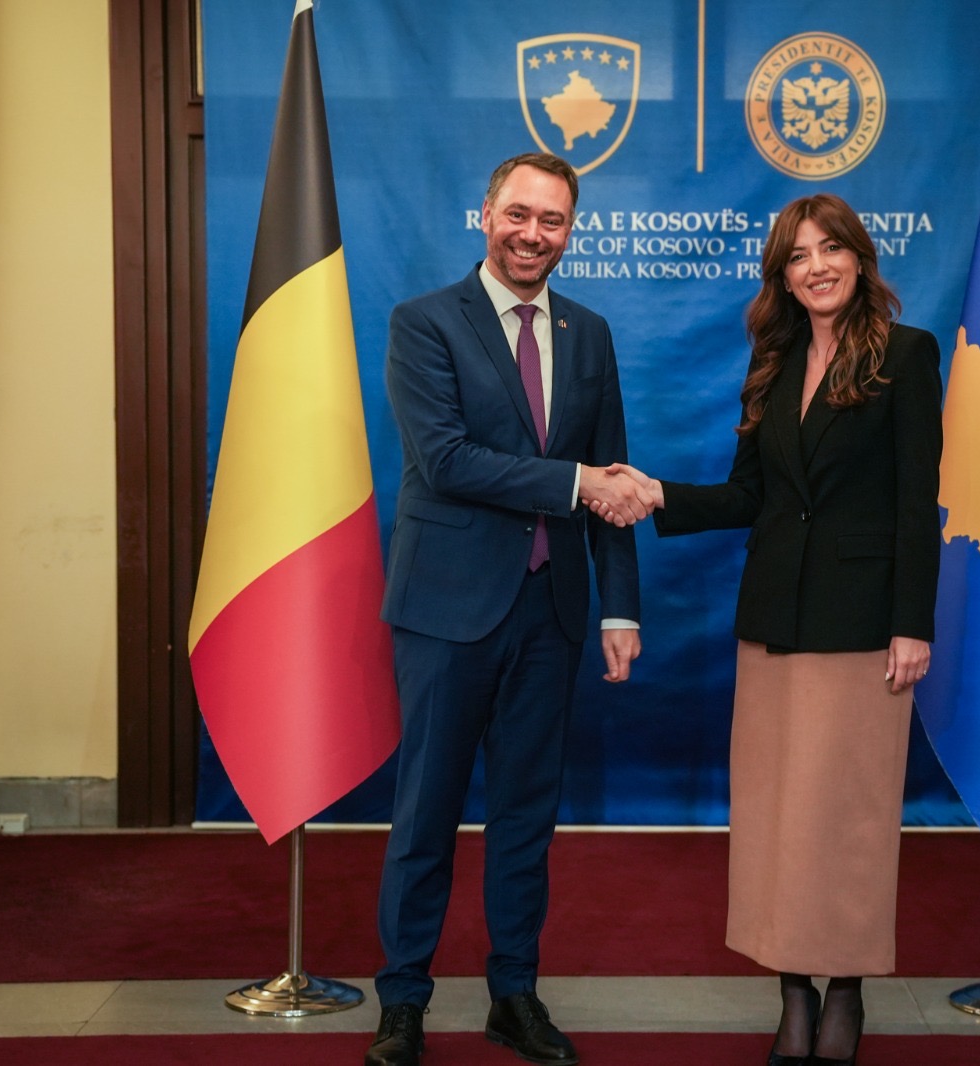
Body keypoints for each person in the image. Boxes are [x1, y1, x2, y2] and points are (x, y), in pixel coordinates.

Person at [598, 193, 943, 1065]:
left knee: (849, 817)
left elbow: (917, 501)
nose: (816, 267)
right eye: (798, 256)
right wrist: (658, 494)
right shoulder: (774, 359)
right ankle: (793, 992)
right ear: (782, 277)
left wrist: (913, 623)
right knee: (776, 815)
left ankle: (847, 990)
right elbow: (751, 493)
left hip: (864, 627)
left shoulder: (908, 354)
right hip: (772, 622)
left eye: (831, 249)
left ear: (859, 258)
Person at [366, 152, 654, 1066]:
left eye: (553, 221)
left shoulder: (589, 333)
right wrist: (575, 482)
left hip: (549, 613)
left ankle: (514, 995)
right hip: (446, 611)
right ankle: (402, 1001)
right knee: (425, 815)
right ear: (484, 215)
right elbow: (447, 460)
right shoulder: (424, 323)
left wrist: (619, 609)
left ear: (571, 230)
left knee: (527, 817)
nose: (534, 235)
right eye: (518, 214)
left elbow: (613, 473)